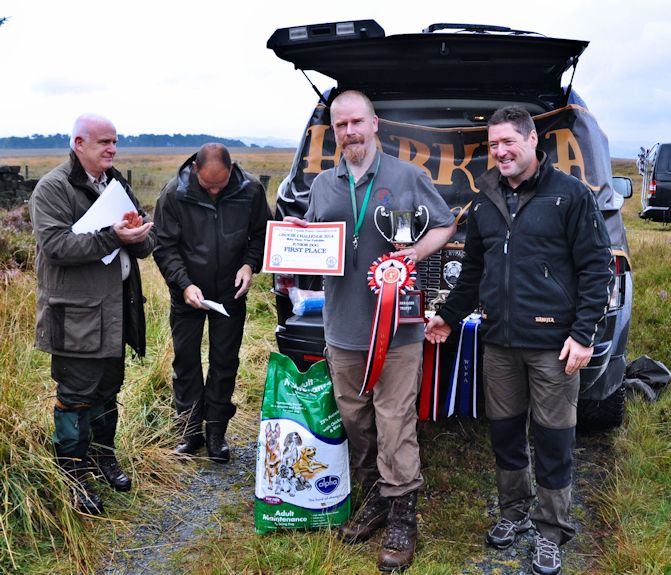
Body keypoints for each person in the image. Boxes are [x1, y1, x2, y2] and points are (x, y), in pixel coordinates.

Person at [425, 106, 613, 575]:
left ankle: (551, 532)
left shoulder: (569, 195)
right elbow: (473, 271)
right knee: (506, 434)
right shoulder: (485, 200)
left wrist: (583, 334)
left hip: (555, 346)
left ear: (532, 141)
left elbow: (596, 269)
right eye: (493, 145)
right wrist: (449, 316)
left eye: (509, 141)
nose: (501, 151)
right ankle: (514, 513)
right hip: (500, 344)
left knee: (553, 440)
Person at [286, 90, 456, 572]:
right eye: (341, 126)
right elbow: (319, 238)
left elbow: (443, 225)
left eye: (357, 122)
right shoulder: (323, 183)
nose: (350, 133)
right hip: (342, 329)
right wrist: (301, 235)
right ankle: (374, 497)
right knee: (355, 419)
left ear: (375, 123)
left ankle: (404, 513)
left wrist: (415, 256)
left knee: (395, 420)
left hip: (398, 331)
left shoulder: (408, 177)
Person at [30, 113, 156, 515]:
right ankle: (72, 476)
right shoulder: (52, 188)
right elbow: (56, 247)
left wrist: (137, 237)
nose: (112, 149)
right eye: (103, 142)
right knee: (75, 397)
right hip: (75, 315)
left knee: (108, 391)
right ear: (79, 144)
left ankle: (103, 460)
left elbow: (141, 246)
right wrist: (112, 236)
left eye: (115, 142)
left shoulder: (116, 184)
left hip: (116, 311)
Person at [153, 143, 271, 463]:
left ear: (232, 171)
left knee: (224, 361)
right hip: (187, 294)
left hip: (230, 293)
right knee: (186, 362)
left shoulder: (251, 191)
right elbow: (163, 246)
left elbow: (262, 233)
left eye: (220, 184)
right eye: (208, 185)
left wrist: (250, 264)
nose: (215, 190)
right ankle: (189, 431)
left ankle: (216, 432)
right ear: (195, 170)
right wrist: (184, 284)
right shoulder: (174, 194)